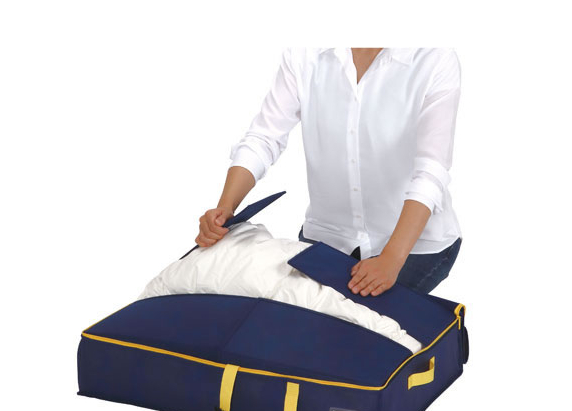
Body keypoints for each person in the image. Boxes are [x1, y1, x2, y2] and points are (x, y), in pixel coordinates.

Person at [196, 48, 462, 297]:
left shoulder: (434, 57)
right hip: (328, 236)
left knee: (366, 325)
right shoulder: (305, 52)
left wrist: (392, 257)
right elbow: (264, 138)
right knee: (292, 315)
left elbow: (430, 171)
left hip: (414, 246)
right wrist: (225, 208)